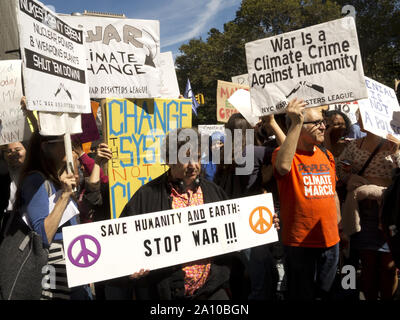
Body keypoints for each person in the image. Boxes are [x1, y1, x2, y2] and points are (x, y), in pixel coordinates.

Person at [119, 128, 280, 300]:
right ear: (169, 160)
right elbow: (123, 242)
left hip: (211, 289)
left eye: (196, 157)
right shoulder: (146, 196)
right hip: (167, 293)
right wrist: (130, 268)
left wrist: (264, 226)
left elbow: (236, 228)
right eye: (184, 158)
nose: (193, 165)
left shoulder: (212, 191)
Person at [272, 98, 341, 300]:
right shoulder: (283, 154)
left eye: (324, 121)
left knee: (326, 294)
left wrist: (339, 228)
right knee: (302, 295)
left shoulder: (326, 155)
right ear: (298, 125)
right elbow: (283, 167)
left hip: (331, 241)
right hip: (299, 243)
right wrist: (296, 122)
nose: (323, 126)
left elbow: (333, 192)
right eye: (317, 122)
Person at [14, 131, 91, 300]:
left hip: (74, 270)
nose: (69, 147)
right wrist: (64, 196)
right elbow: (43, 236)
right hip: (56, 277)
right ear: (46, 148)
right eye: (63, 141)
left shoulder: (57, 178)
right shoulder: (35, 180)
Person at [338, 121, 400, 300]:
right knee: (368, 265)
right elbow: (341, 172)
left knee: (389, 268)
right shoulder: (353, 146)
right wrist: (353, 177)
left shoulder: (395, 143)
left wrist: (396, 152)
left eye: (362, 118)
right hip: (362, 213)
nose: (358, 122)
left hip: (390, 214)